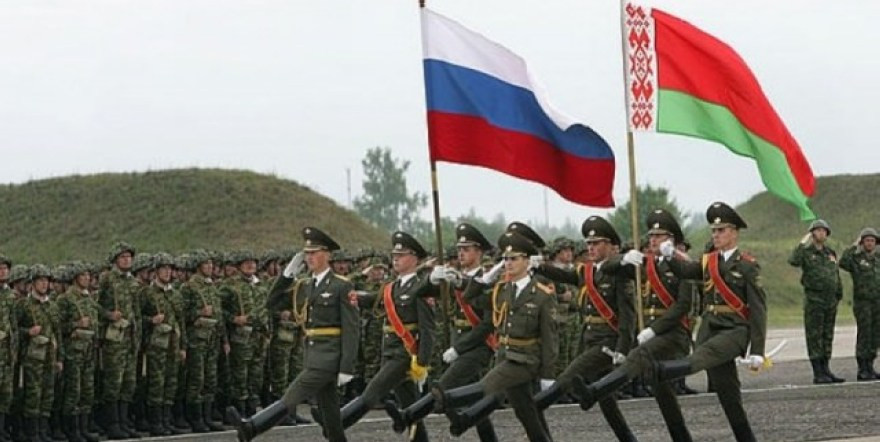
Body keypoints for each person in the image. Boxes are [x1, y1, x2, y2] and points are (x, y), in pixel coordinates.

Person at [565, 209, 694, 441]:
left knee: (637, 356)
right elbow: (606, 267)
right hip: (652, 336)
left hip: (673, 334)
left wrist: (654, 329)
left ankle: (595, 391)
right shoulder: (646, 264)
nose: (652, 240)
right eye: (651, 236)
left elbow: (683, 305)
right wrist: (624, 258)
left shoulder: (684, 265)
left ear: (671, 239)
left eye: (659, 236)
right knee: (663, 394)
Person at [229, 227, 359, 442]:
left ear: (327, 255)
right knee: (330, 413)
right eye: (307, 253)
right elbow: (271, 303)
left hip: (329, 357)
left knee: (293, 394)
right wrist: (287, 275)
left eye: (314, 253)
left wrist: (347, 366)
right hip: (312, 354)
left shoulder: (341, 286)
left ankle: (252, 427)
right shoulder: (304, 286)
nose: (309, 258)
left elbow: (352, 328)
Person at [653, 202, 767, 442]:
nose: (715, 235)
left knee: (706, 354)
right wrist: (670, 255)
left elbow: (758, 309)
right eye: (713, 231)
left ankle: (666, 370)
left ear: (734, 233)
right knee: (728, 395)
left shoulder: (747, 265)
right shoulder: (708, 262)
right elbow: (685, 271)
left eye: (721, 230)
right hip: (710, 327)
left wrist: (758, 350)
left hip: (734, 330)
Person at [313, 231, 436, 442]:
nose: (395, 259)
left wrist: (423, 362)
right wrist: (356, 298)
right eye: (394, 255)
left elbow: (428, 329)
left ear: (415, 259)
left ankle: (335, 423)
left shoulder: (421, 287)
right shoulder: (392, 286)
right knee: (410, 405)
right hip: (390, 351)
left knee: (372, 393)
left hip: (405, 354)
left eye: (401, 255)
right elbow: (374, 299)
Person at [438, 231, 557, 442]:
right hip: (504, 356)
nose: (508, 263)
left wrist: (548, 374)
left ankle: (450, 401)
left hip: (526, 360)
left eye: (514, 258)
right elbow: (469, 298)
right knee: (526, 413)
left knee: (487, 385)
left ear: (527, 261)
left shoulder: (541, 294)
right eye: (505, 259)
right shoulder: (501, 290)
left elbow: (550, 338)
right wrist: (484, 280)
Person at [386, 223, 499, 441]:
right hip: (457, 342)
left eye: (466, 249)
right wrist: (430, 279)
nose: (461, 253)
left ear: (479, 252)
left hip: (479, 345)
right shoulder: (453, 277)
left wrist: (459, 349)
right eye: (459, 249)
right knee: (474, 402)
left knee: (443, 388)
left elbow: (488, 324)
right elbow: (417, 294)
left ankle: (408, 415)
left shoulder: (487, 279)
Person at [530, 216, 636, 441]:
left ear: (610, 245)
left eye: (596, 243)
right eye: (589, 244)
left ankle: (532, 410)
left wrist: (623, 348)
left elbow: (628, 315)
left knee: (567, 378)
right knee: (607, 401)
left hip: (608, 343)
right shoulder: (587, 271)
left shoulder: (619, 272)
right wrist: (541, 266)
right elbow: (565, 275)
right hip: (588, 339)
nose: (591, 248)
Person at [788, 219, 845, 383]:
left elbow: (835, 274)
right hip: (815, 300)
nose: (821, 233)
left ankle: (826, 369)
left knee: (827, 335)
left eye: (824, 231)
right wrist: (803, 242)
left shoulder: (830, 253)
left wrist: (838, 293)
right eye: (818, 230)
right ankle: (818, 372)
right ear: (812, 233)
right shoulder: (806, 253)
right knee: (815, 335)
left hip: (830, 300)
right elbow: (793, 260)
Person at [839, 227, 880, 380]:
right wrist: (854, 245)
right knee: (864, 334)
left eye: (872, 241)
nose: (870, 243)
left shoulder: (878, 260)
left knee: (875, 335)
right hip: (863, 303)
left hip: (877, 302)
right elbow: (843, 262)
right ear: (862, 243)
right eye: (867, 240)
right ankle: (862, 368)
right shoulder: (856, 260)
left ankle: (870, 366)